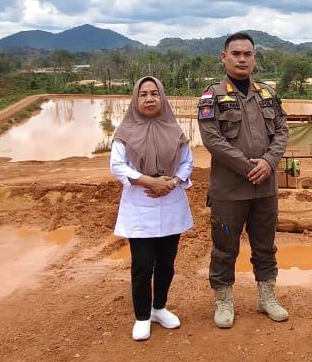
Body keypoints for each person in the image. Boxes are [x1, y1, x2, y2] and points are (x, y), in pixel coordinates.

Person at [198, 32, 290, 328]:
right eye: (236, 54)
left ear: (254, 58)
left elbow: (282, 131)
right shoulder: (212, 96)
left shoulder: (267, 94)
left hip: (265, 189)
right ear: (223, 57)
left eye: (247, 54)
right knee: (224, 247)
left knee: (265, 246)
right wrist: (247, 166)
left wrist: (269, 162)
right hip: (229, 192)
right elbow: (212, 139)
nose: (242, 59)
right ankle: (224, 300)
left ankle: (267, 297)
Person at [109, 76, 194, 342]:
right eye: (143, 94)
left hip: (170, 203)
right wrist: (149, 181)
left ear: (162, 97)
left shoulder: (174, 131)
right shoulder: (125, 132)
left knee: (167, 263)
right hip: (140, 206)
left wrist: (173, 182)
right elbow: (117, 166)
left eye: (154, 93)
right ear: (136, 99)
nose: (149, 98)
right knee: (143, 265)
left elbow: (187, 162)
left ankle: (159, 308)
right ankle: (142, 316)